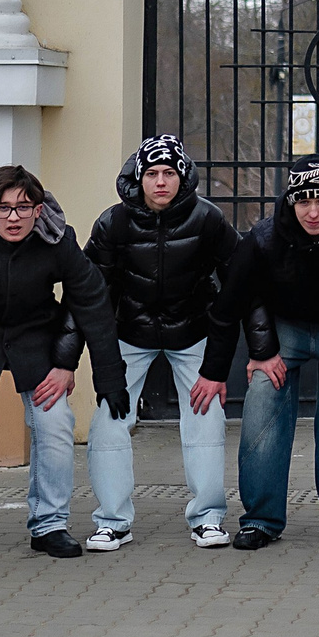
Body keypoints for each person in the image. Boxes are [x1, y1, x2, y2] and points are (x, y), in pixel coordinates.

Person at [0, 166, 130, 566]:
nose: (13, 217)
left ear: (38, 210)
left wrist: (86, 371)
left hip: (37, 342)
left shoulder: (58, 242)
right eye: (3, 208)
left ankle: (50, 524)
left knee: (55, 426)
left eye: (23, 207)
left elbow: (91, 303)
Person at [200, 155, 319, 550]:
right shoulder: (264, 238)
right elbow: (229, 306)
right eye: (303, 201)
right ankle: (261, 519)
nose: (313, 211)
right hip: (283, 328)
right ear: (290, 201)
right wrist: (234, 363)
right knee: (263, 396)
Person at [84, 136, 238, 553]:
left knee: (205, 419)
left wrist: (224, 357)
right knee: (109, 420)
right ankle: (113, 521)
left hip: (192, 331)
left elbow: (239, 282)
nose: (160, 182)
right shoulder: (112, 223)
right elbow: (91, 293)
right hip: (129, 332)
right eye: (152, 174)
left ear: (183, 176)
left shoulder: (208, 220)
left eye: (169, 173)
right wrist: (92, 361)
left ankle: (207, 518)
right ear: (139, 177)